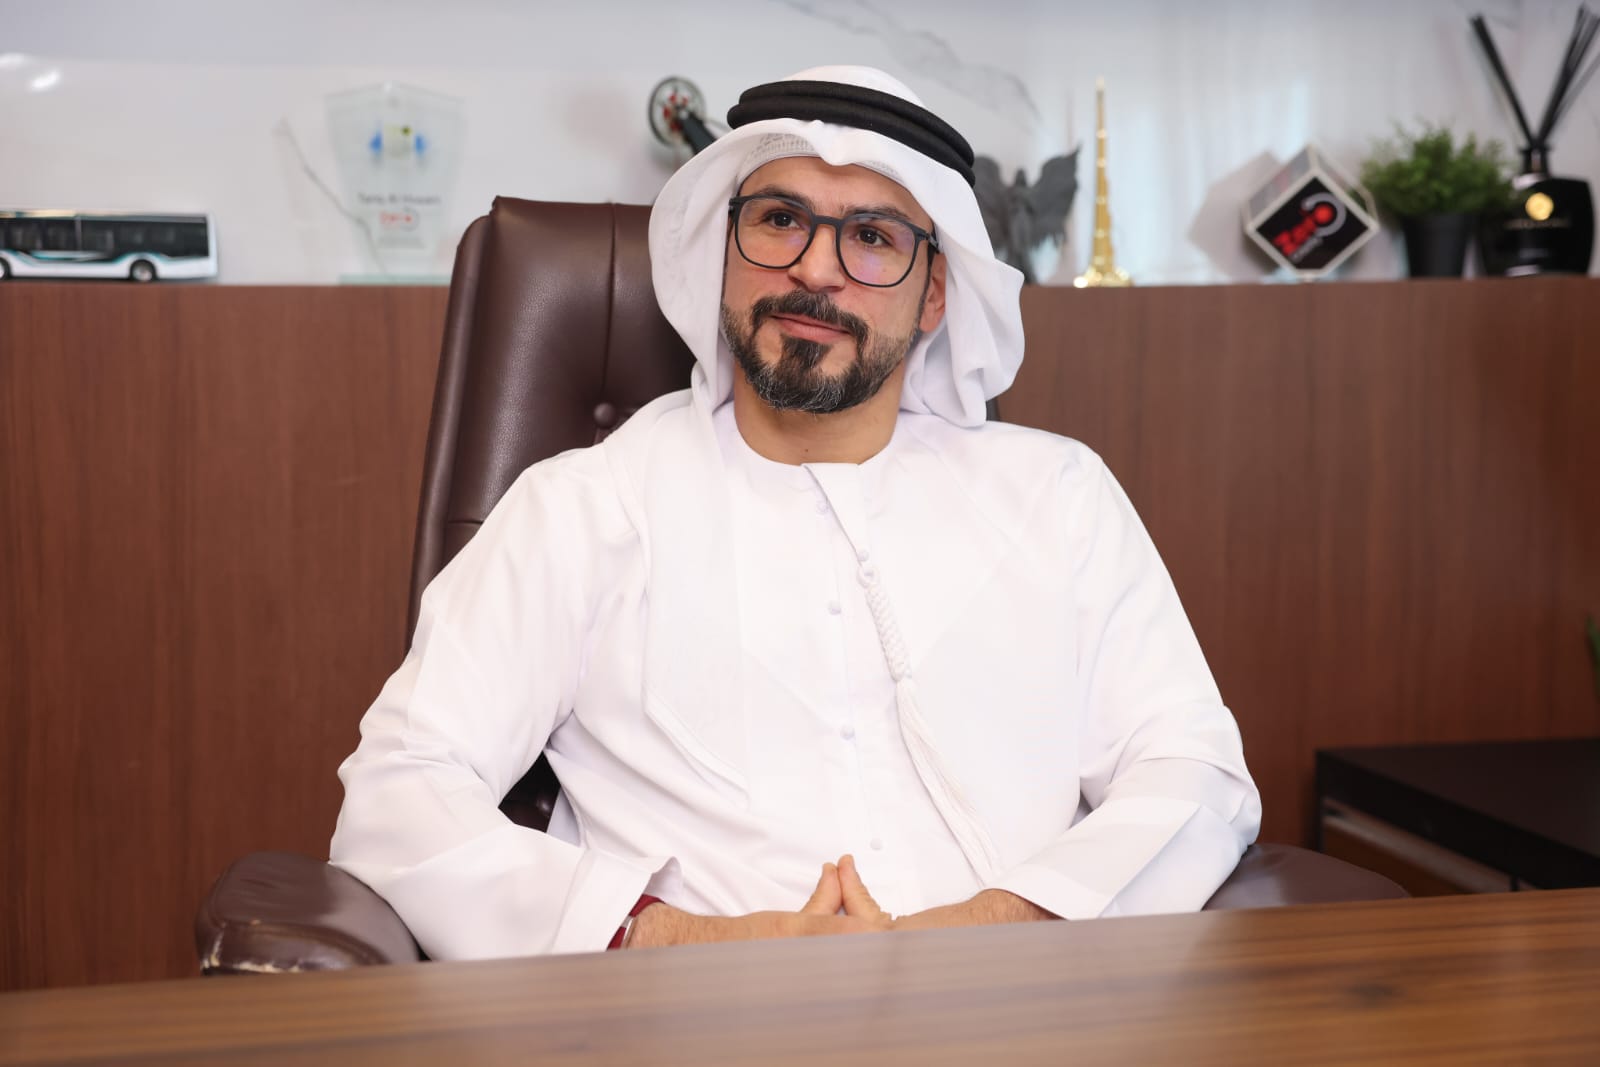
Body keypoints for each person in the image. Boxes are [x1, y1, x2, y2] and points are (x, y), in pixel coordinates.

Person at [329, 65, 1261, 959]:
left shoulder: (1059, 497)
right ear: (722, 253)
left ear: (935, 292)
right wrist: (687, 943)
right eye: (779, 220)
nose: (816, 268)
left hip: (1023, 1014)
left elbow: (1195, 772)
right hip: (682, 1025)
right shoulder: (583, 510)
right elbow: (398, 792)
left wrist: (996, 924)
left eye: (873, 236)